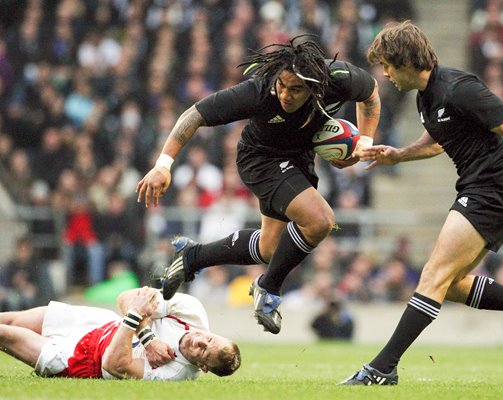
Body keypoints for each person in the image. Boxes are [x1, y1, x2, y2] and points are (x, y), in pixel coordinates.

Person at [340, 21, 503, 386]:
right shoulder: (425, 96)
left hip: (493, 190)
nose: (385, 74)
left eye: (388, 65)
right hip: (477, 187)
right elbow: (437, 140)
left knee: (433, 275)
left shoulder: (459, 88)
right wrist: (400, 155)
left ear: (406, 61)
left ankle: (383, 368)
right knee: (452, 283)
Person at [136, 36, 380, 334]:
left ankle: (192, 258)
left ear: (315, 86)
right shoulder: (258, 92)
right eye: (282, 85)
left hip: (299, 159)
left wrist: (362, 145)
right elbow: (193, 116)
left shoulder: (338, 78)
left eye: (295, 89)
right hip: (260, 159)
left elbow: (370, 95)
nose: (285, 95)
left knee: (268, 249)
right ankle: (269, 287)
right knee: (320, 221)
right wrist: (163, 165)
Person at [0, 286, 240, 380]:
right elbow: (126, 297)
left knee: (5, 334)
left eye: (204, 350)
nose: (200, 340)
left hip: (82, 359)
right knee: (10, 319)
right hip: (100, 323)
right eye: (209, 338)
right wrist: (148, 339)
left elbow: (113, 364)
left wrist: (137, 316)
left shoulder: (176, 374)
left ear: (203, 367)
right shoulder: (193, 311)